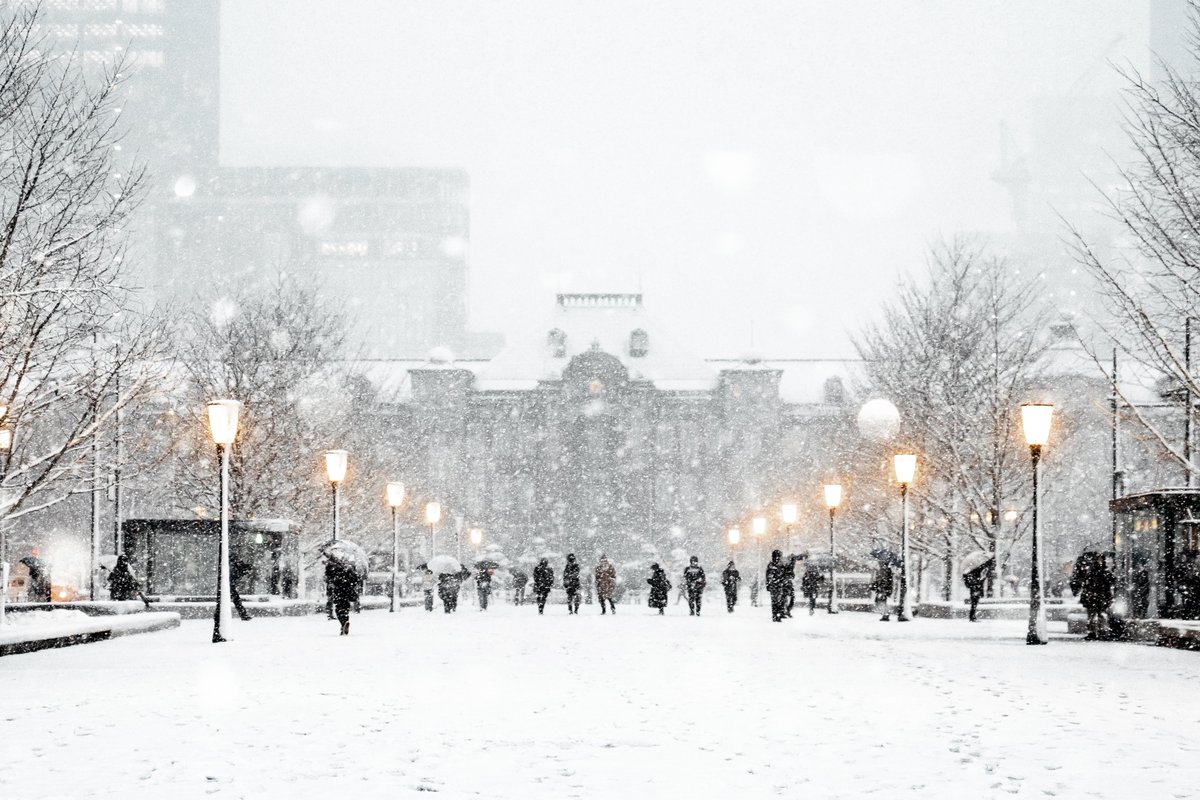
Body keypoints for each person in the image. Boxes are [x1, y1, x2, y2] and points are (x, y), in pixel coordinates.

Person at [1071, 550, 1115, 640]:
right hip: (1095, 597)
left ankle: (1099, 631)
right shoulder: (1094, 572)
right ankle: (1093, 632)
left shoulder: (1103, 572)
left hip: (1100, 596)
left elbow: (1109, 582)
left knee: (1100, 615)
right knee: (1092, 615)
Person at [327, 559, 361, 636]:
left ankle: (343, 624)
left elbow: (332, 579)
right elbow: (356, 581)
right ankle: (345, 621)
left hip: (339, 592)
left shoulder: (336, 569)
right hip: (348, 593)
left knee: (339, 609)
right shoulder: (351, 570)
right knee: (345, 608)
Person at [962, 558, 993, 623]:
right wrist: (975, 583)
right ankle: (972, 617)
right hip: (975, 588)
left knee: (975, 603)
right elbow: (968, 577)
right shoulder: (977, 570)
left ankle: (972, 617)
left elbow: (980, 579)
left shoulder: (982, 569)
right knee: (974, 602)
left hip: (976, 587)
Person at [765, 550, 790, 622]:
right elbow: (769, 576)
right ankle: (776, 615)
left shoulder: (776, 565)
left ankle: (776, 615)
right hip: (777, 585)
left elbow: (768, 576)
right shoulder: (775, 565)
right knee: (777, 601)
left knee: (777, 601)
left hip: (777, 585)